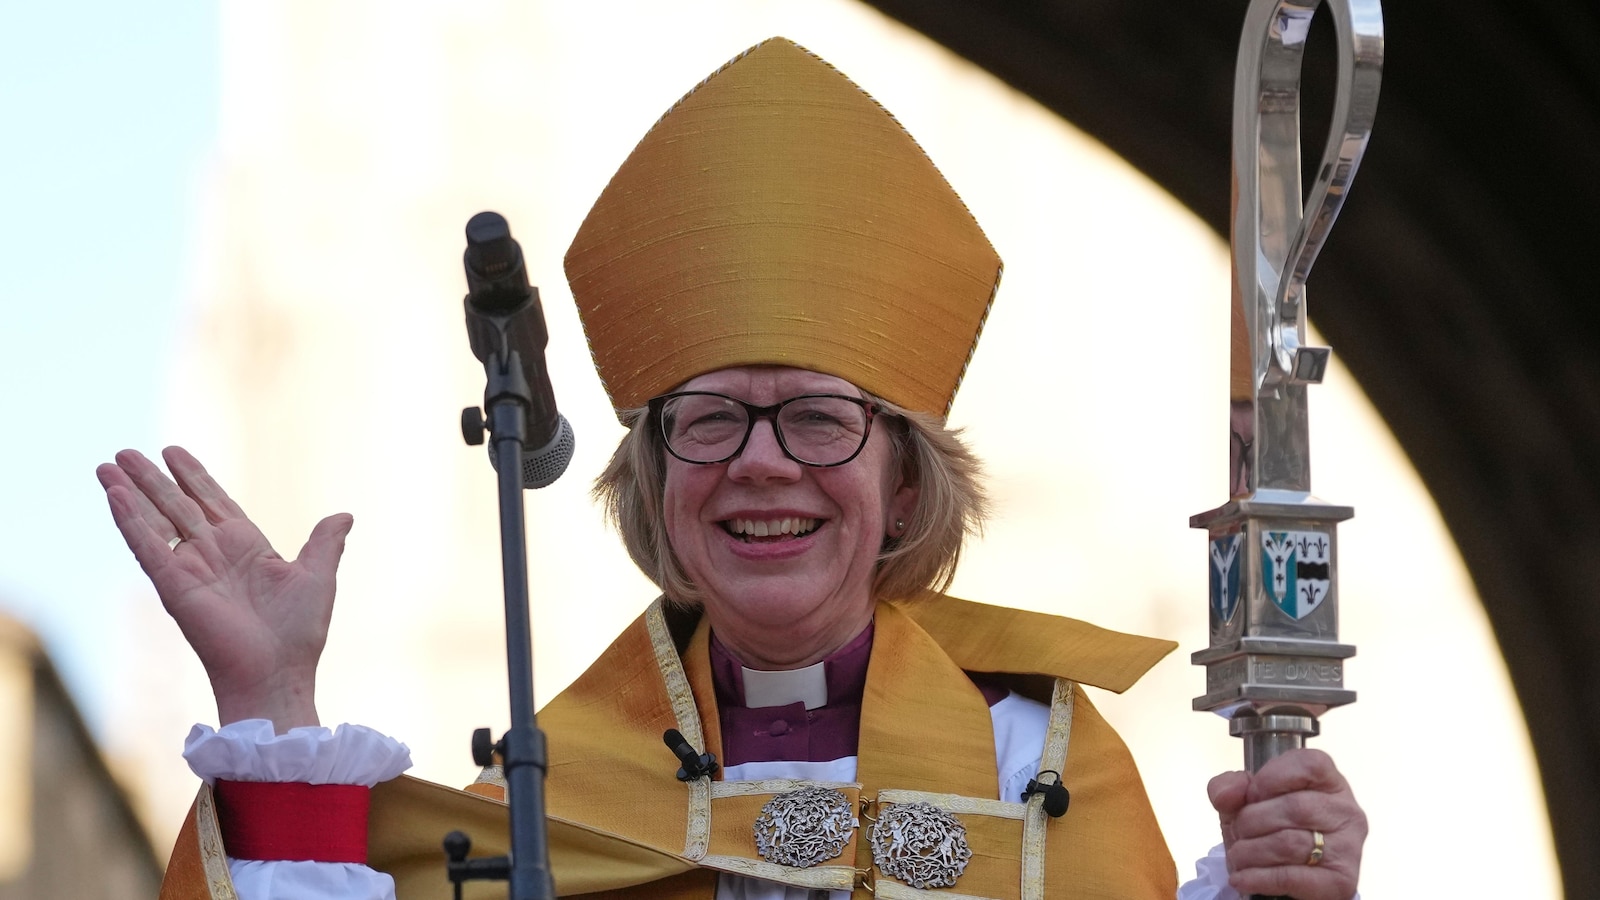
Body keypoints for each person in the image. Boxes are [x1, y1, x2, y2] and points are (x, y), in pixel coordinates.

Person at [99, 38, 1366, 900]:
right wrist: (267, 694)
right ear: (653, 483)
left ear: (907, 488)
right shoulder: (546, 796)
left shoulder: (1037, 765)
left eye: (818, 419)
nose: (763, 466)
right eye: (708, 422)